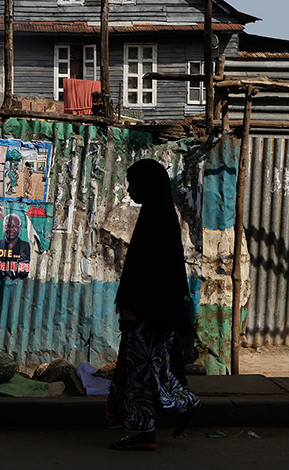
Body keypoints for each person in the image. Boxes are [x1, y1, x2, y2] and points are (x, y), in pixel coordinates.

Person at [107, 159, 201, 451]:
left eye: (134, 183)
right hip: (157, 312)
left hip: (148, 313)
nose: (130, 189)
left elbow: (148, 273)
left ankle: (144, 434)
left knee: (142, 374)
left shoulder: (156, 221)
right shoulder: (159, 215)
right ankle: (185, 404)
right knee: (155, 369)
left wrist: (133, 307)